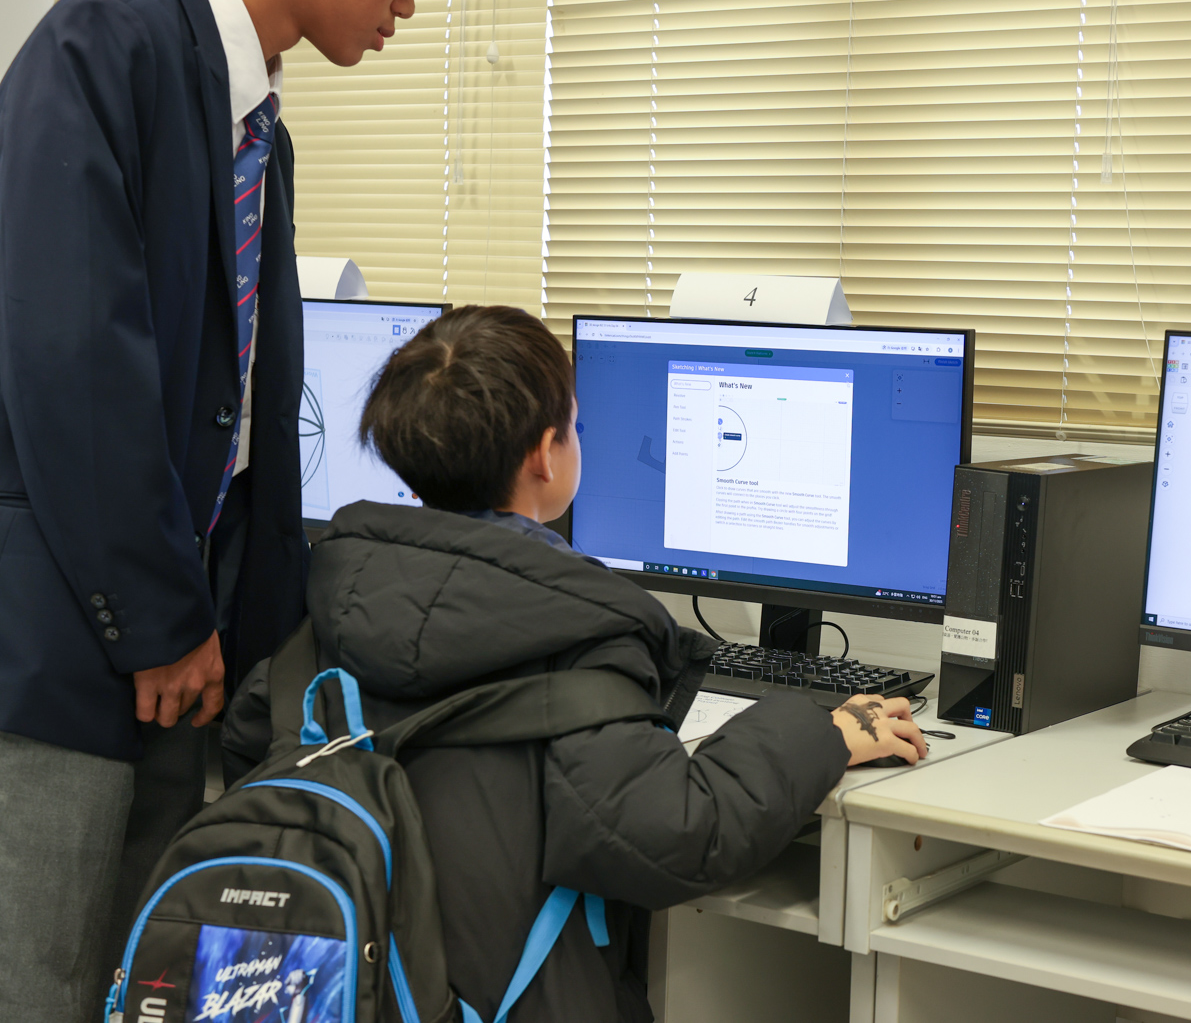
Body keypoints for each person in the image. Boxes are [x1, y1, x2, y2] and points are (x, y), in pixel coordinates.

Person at [223, 304, 927, 1022]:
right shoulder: (575, 636)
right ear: (545, 456)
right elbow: (677, 834)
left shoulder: (338, 603)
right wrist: (822, 732)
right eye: (574, 425)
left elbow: (253, 737)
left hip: (344, 990)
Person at [0, 0, 458, 1017]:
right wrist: (161, 619)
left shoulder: (258, 131)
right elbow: (75, 366)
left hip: (185, 648)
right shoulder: (102, 49)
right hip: (69, 653)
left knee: (142, 993)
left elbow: (242, 413)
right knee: (40, 987)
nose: (405, 3)